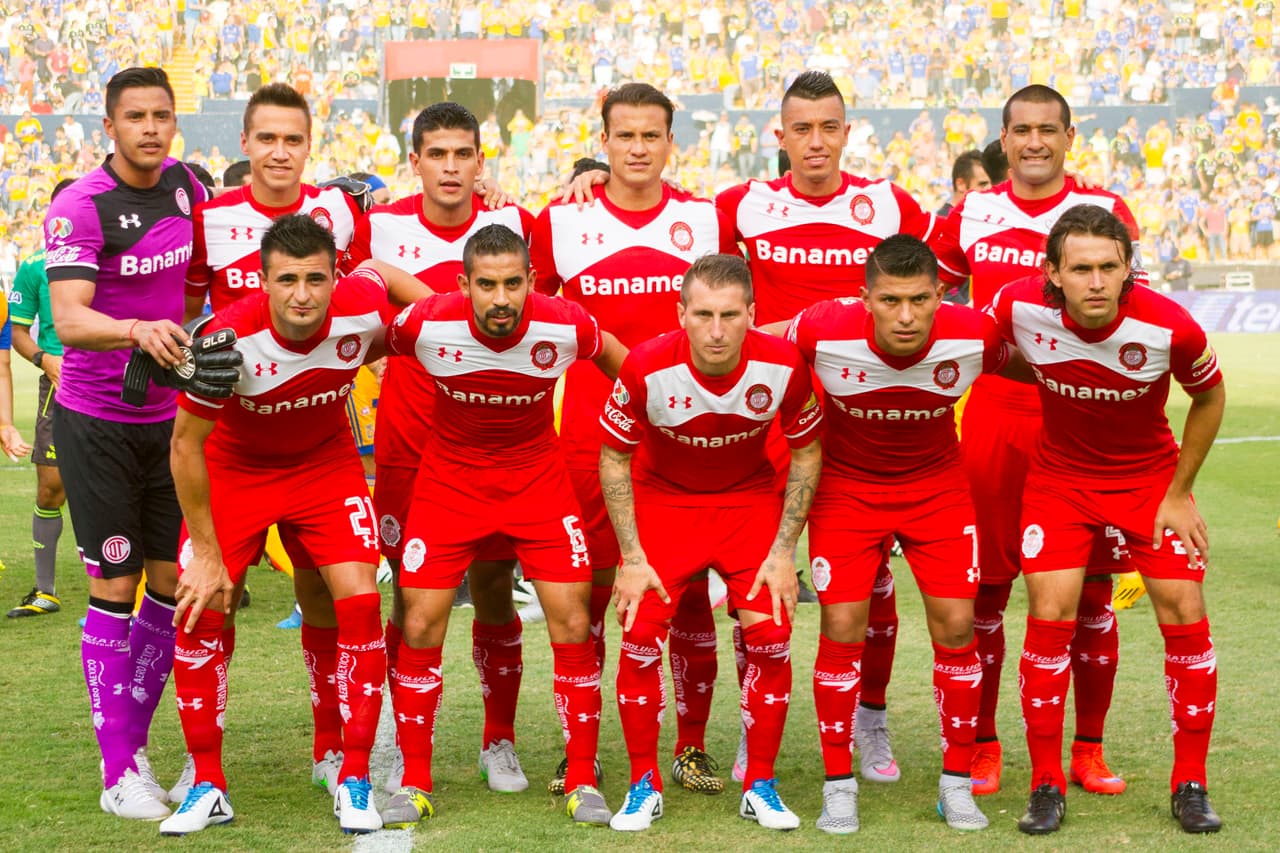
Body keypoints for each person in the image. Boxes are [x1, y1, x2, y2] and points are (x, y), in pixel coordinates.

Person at [161, 214, 429, 836]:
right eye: (287, 280)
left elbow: (389, 282)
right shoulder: (224, 340)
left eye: (315, 278)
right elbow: (184, 447)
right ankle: (207, 783)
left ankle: (353, 775)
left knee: (360, 602)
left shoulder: (360, 307)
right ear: (262, 280)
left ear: (334, 277)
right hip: (235, 470)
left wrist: (441, 311)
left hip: (325, 466)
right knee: (202, 604)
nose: (303, 295)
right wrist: (205, 554)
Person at [716, 68, 946, 785]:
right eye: (801, 129)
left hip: (864, 428)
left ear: (848, 132)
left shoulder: (891, 204)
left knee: (873, 588)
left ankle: (870, 722)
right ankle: (757, 730)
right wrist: (586, 178)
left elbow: (940, 290)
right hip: (772, 424)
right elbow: (675, 243)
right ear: (778, 136)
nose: (815, 142)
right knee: (758, 586)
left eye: (829, 128)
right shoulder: (741, 205)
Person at [378, 223, 626, 829]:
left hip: (538, 484)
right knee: (419, 619)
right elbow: (350, 346)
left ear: (531, 282)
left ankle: (582, 776)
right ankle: (413, 780)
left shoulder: (566, 322)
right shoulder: (424, 322)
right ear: (463, 286)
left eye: (512, 284)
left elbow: (633, 370)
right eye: (486, 285)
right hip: (449, 485)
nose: (500, 299)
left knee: (573, 619)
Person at [988, 205, 1225, 835]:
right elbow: (993, 354)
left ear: (1128, 270)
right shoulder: (1017, 308)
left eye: (1109, 268)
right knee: (1051, 614)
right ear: (1053, 274)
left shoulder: (1171, 327)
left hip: (1149, 483)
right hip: (1059, 483)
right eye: (1082, 269)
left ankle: (1191, 783)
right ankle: (1045, 784)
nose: (1096, 282)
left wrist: (1180, 492)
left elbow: (1209, 396)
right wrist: (1037, 371)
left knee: (1182, 608)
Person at [933, 85, 1143, 796]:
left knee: (1091, 595)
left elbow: (1131, 312)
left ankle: (1088, 747)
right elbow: (925, 294)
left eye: (1047, 130)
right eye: (1021, 130)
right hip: (994, 414)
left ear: (1068, 135)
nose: (1033, 143)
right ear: (1004, 135)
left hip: (1083, 421)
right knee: (986, 591)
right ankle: (985, 743)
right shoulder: (970, 212)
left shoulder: (1106, 211)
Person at [532, 82, 738, 796]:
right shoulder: (562, 219)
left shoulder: (705, 220)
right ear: (605, 141)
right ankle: (579, 748)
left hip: (682, 438)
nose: (639, 148)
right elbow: (531, 308)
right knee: (584, 595)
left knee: (682, 596)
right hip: (588, 436)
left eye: (652, 136)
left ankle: (690, 746)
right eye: (625, 136)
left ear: (670, 143)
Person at [780, 235, 1020, 834]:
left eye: (920, 300)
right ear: (865, 298)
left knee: (959, 626)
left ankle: (957, 785)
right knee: (841, 627)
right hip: (846, 491)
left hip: (938, 490)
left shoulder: (976, 335)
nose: (907, 316)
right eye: (890, 300)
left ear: (943, 294)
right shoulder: (822, 327)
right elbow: (754, 343)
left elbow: (1042, 365)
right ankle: (839, 786)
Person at [176, 82, 370, 802]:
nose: (281, 152)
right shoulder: (211, 217)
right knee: (207, 595)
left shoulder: (342, 213)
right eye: (268, 138)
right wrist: (187, 354)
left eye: (294, 139)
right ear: (246, 145)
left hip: (320, 434)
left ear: (309, 145)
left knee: (335, 590)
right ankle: (204, 770)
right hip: (233, 432)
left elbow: (378, 289)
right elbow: (187, 307)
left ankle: (334, 750)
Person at [341, 101, 537, 797]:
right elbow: (343, 301)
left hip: (491, 443)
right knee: (409, 596)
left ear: (481, 161)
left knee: (491, 588)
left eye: (463, 154)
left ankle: (499, 739)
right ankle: (397, 730)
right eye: (438, 154)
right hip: (408, 437)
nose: (451, 167)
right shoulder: (381, 226)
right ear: (415, 160)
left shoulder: (514, 226)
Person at [600, 254, 822, 832]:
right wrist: (631, 557)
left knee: (772, 636)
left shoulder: (783, 364)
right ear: (681, 314)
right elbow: (614, 458)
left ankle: (761, 785)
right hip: (665, 504)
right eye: (703, 315)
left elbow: (806, 453)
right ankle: (642, 785)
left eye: (730, 315)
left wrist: (783, 552)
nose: (717, 330)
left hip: (746, 504)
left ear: (753, 313)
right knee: (640, 636)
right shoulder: (646, 365)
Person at [44, 66, 210, 820]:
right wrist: (136, 328)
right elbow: (70, 320)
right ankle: (118, 773)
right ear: (107, 125)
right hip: (98, 424)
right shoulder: (81, 206)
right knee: (114, 586)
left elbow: (203, 280)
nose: (150, 127)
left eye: (162, 115)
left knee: (171, 590)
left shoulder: (186, 188)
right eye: (135, 116)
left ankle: (132, 750)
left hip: (170, 427)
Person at [5, 178, 73, 618]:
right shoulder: (34, 266)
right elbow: (16, 332)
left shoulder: (113, 261)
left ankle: (136, 588)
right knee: (51, 486)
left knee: (124, 485)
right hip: (58, 385)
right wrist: (44, 359)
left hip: (109, 381)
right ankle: (45, 590)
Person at [938, 151, 991, 304]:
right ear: (961, 184)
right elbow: (938, 284)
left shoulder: (976, 222)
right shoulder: (942, 224)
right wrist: (967, 311)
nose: (990, 189)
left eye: (991, 183)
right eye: (982, 184)